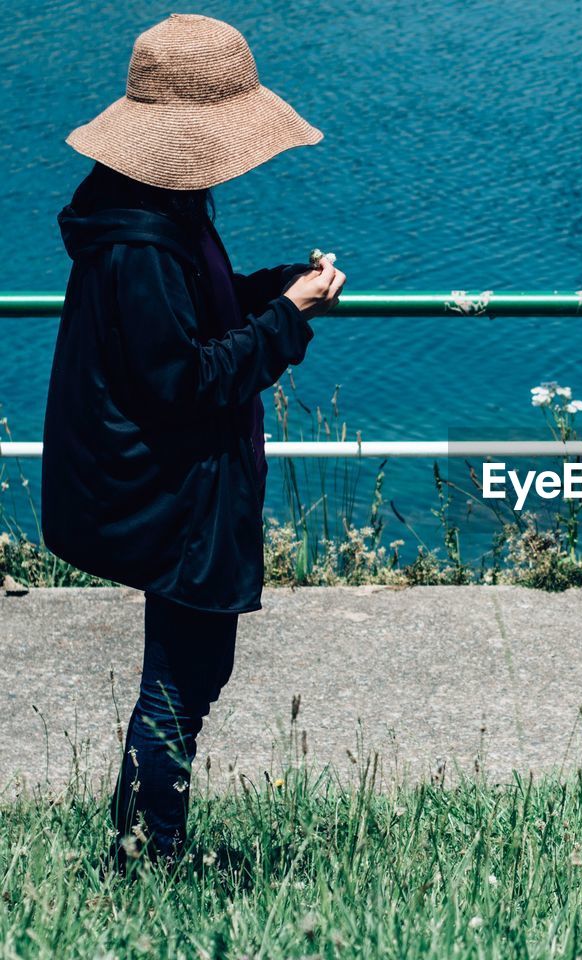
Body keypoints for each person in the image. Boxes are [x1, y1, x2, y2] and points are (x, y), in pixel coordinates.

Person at [41, 14, 345, 867]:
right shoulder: (141, 242)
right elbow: (186, 380)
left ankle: (140, 849)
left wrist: (270, 286)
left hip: (170, 481)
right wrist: (289, 320)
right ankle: (145, 862)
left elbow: (190, 319)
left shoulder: (152, 209)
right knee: (181, 682)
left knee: (188, 676)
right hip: (168, 491)